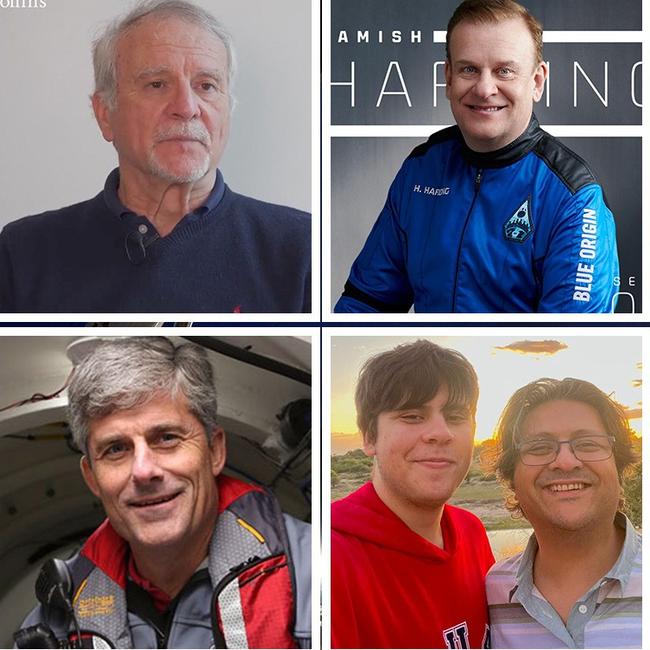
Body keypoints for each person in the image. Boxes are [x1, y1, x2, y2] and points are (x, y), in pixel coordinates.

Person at [0, 0, 310, 313]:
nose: (187, 107)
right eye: (157, 84)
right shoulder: (22, 253)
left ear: (227, 110)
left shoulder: (302, 248)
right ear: (105, 114)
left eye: (206, 85)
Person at [15, 337, 311, 648]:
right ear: (92, 478)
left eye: (167, 438)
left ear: (215, 451)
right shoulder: (56, 620)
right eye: (116, 449)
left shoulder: (324, 575)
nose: (143, 470)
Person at [334, 0, 618, 314]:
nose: (484, 89)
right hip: (430, 362)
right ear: (448, 78)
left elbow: (568, 344)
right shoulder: (421, 170)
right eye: (469, 69)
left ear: (537, 81)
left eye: (504, 71)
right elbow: (366, 303)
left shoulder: (573, 197)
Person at [331, 340, 494, 649]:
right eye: (412, 416)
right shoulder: (333, 558)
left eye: (456, 416)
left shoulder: (471, 531)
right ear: (369, 436)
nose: (440, 432)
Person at [486, 378, 641, 648]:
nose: (566, 462)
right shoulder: (493, 593)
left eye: (588, 444)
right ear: (512, 478)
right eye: (539, 448)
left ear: (619, 465)